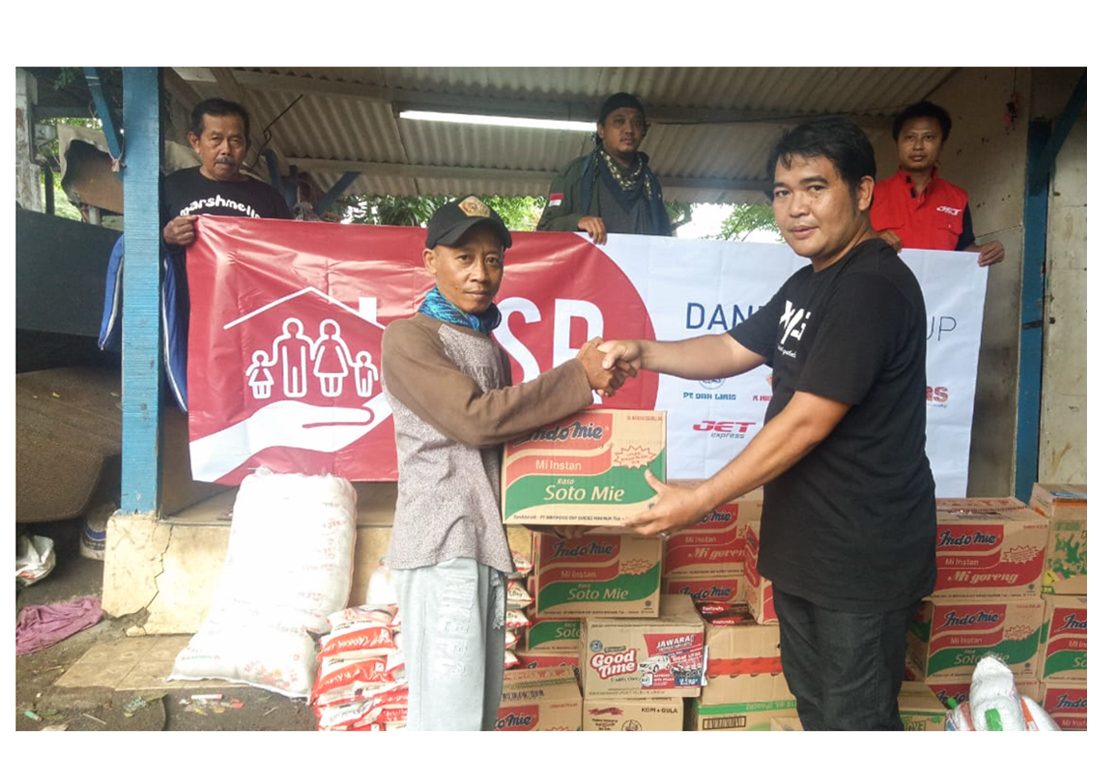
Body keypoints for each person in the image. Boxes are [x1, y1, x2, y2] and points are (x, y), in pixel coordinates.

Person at [598, 118, 936, 730]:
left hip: (861, 557)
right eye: (782, 192)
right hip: (808, 547)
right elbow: (731, 348)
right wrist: (643, 351)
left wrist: (699, 499)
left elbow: (807, 420)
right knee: (817, 710)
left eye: (815, 188)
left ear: (862, 192)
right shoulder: (809, 282)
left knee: (855, 724)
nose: (795, 209)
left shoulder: (872, 287)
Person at [380, 195, 626, 730]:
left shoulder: (490, 348)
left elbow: (507, 454)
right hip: (443, 542)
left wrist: (554, 515)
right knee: (450, 719)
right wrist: (578, 376)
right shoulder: (409, 338)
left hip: (482, 546)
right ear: (431, 261)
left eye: (492, 259)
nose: (480, 273)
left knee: (477, 712)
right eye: (464, 258)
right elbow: (477, 420)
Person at [870, 100, 1005, 266]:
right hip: (885, 283)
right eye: (910, 137)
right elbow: (846, 244)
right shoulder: (870, 195)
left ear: (941, 144)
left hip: (938, 284)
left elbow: (963, 250)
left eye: (928, 137)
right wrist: (873, 241)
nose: (918, 146)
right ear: (897, 143)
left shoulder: (958, 198)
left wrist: (987, 252)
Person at [536, 92, 672, 243]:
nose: (629, 130)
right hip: (594, 259)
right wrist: (577, 222)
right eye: (619, 122)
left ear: (644, 131)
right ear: (601, 130)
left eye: (637, 123)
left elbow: (665, 240)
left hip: (639, 259)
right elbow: (545, 229)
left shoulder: (650, 183)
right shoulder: (575, 174)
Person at [161, 97, 291, 253]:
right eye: (216, 139)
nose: (226, 150)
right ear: (195, 142)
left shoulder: (270, 199)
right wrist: (166, 237)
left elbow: (288, 252)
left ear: (247, 146)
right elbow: (141, 244)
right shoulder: (171, 187)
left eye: (235, 141)